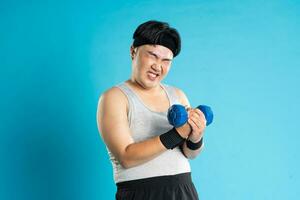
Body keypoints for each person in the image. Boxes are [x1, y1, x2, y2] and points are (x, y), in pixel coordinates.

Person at [97, 20, 207, 200]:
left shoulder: (177, 95)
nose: (158, 66)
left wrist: (196, 136)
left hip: (184, 191)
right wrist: (178, 133)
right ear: (133, 51)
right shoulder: (114, 97)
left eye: (166, 60)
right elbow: (126, 157)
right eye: (152, 56)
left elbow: (190, 154)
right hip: (141, 193)